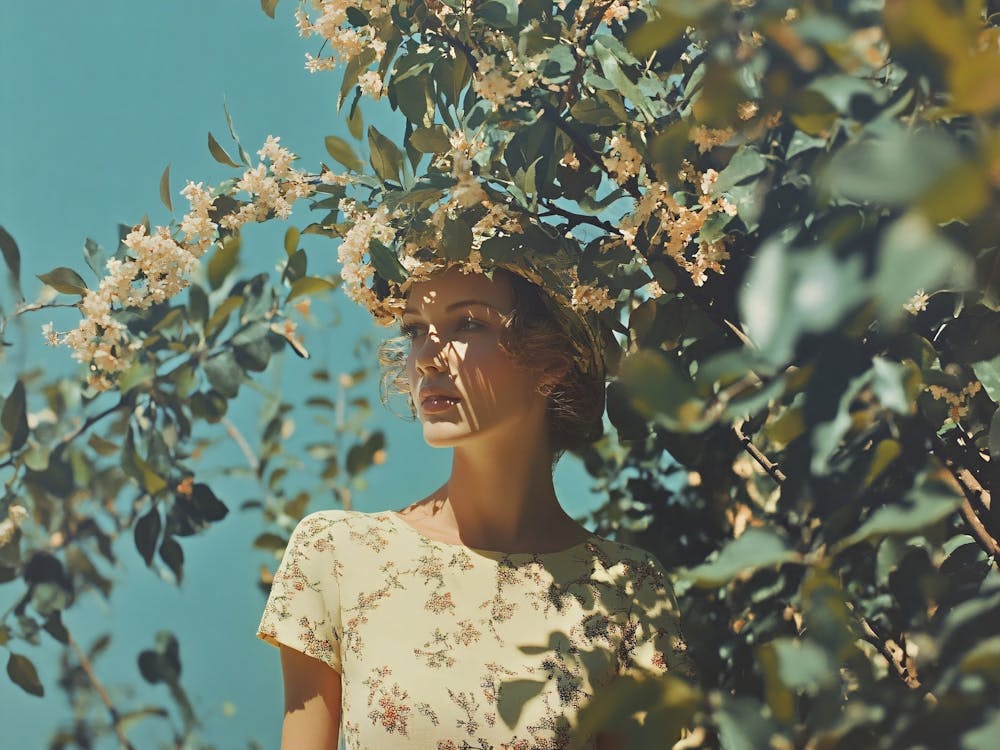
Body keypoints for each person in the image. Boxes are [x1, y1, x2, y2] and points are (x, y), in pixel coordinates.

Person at [257, 263, 695, 749]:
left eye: (469, 324)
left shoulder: (625, 589)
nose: (426, 357)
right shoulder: (338, 554)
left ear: (553, 362)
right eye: (415, 330)